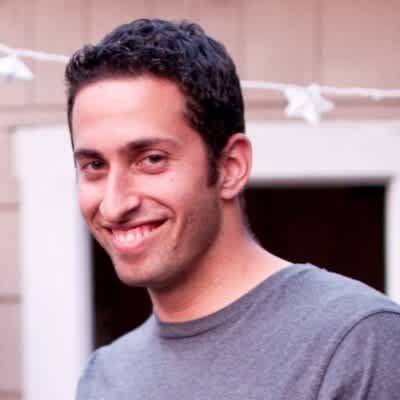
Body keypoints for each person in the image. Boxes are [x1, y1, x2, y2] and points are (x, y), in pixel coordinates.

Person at [65, 18, 400, 400]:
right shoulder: (105, 376)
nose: (114, 204)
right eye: (94, 165)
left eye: (151, 159)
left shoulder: (357, 342)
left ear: (230, 167)